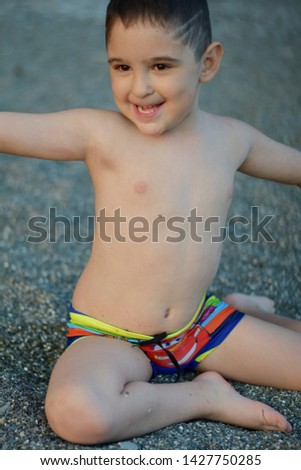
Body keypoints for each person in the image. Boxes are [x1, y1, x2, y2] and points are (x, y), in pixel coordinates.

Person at [0, 0, 300, 445]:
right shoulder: (98, 133)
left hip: (201, 326)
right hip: (109, 336)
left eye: (160, 66)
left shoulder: (234, 139)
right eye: (121, 66)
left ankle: (245, 311)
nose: (139, 88)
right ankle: (204, 396)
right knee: (77, 414)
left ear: (208, 63)